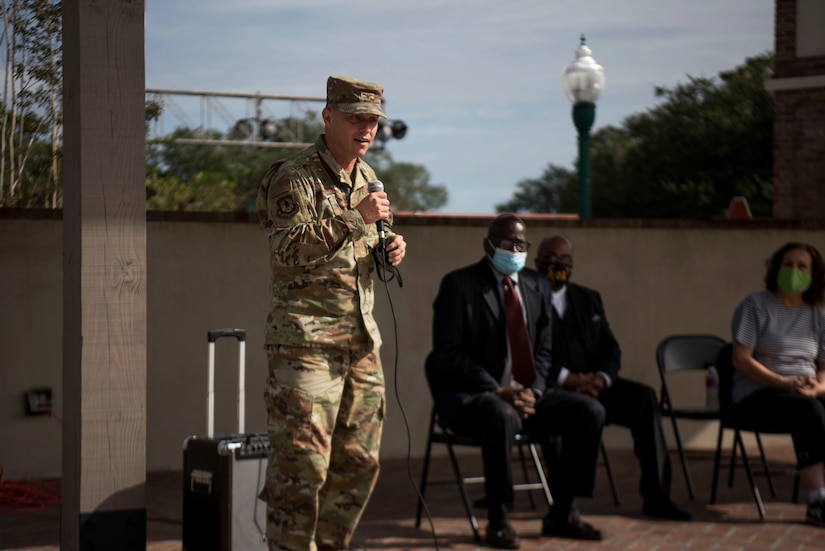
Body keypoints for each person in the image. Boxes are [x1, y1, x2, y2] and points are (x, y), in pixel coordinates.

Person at [255, 75, 407, 551]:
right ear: (328, 117)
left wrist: (391, 247)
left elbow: (368, 242)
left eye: (373, 122)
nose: (367, 130)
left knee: (358, 465)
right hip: (305, 347)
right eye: (357, 119)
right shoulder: (294, 175)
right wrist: (354, 218)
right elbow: (286, 250)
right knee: (301, 470)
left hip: (361, 344)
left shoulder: (368, 180)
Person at [426, 214, 605, 549]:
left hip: (527, 392)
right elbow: (446, 354)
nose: (515, 250)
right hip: (475, 396)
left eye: (521, 244)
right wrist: (497, 390)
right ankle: (498, 518)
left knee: (589, 411)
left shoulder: (537, 285)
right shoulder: (459, 285)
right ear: (488, 245)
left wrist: (534, 392)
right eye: (508, 244)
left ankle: (563, 511)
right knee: (502, 413)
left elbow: (545, 351)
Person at [534, 235, 691, 520]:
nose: (558, 264)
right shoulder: (526, 299)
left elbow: (610, 347)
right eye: (552, 258)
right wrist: (566, 378)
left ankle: (657, 496)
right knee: (568, 414)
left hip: (595, 385)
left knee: (644, 399)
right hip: (552, 387)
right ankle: (566, 506)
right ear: (537, 262)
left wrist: (602, 379)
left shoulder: (588, 298)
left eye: (565, 259)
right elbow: (527, 351)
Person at [730, 241, 825, 528]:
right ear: (776, 268)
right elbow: (741, 360)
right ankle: (818, 500)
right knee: (808, 411)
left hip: (805, 392)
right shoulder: (755, 306)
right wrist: (785, 383)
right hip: (759, 395)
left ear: (814, 274)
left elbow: (824, 369)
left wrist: (818, 387)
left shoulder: (818, 315)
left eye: (801, 266)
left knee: (813, 403)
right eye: (788, 264)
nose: (793, 271)